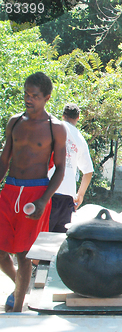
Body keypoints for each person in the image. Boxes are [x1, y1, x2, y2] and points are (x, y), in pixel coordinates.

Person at [0, 72, 66, 312]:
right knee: (1, 252)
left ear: (47, 97)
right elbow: (4, 160)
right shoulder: (14, 122)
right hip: (9, 190)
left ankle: (17, 310)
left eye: (35, 96)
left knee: (24, 254)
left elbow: (60, 170)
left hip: (35, 194)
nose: (29, 99)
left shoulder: (55, 128)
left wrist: (43, 201)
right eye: (26, 94)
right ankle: (20, 283)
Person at [48, 103, 94, 233]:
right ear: (78, 117)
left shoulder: (54, 128)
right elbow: (88, 171)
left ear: (63, 116)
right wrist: (80, 195)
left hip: (48, 191)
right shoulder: (80, 139)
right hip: (68, 194)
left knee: (41, 236)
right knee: (60, 238)